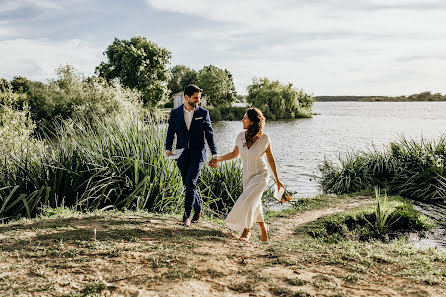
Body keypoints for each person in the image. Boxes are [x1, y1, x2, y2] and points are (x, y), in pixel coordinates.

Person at [209, 108, 283, 242]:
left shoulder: (265, 138)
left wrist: (277, 180)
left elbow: (271, 159)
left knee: (248, 200)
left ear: (253, 121)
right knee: (254, 202)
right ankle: (263, 227)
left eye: (245, 118)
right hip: (247, 177)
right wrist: (217, 159)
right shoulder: (240, 137)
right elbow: (234, 154)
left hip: (261, 175)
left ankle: (246, 230)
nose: (242, 120)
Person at [165, 84, 218, 226]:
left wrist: (214, 154)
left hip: (198, 154)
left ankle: (186, 216)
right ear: (186, 97)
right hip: (180, 154)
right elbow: (170, 133)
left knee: (190, 183)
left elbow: (210, 135)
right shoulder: (175, 113)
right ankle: (198, 208)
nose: (198, 101)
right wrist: (167, 149)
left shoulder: (203, 113)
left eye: (199, 98)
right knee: (188, 184)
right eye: (195, 98)